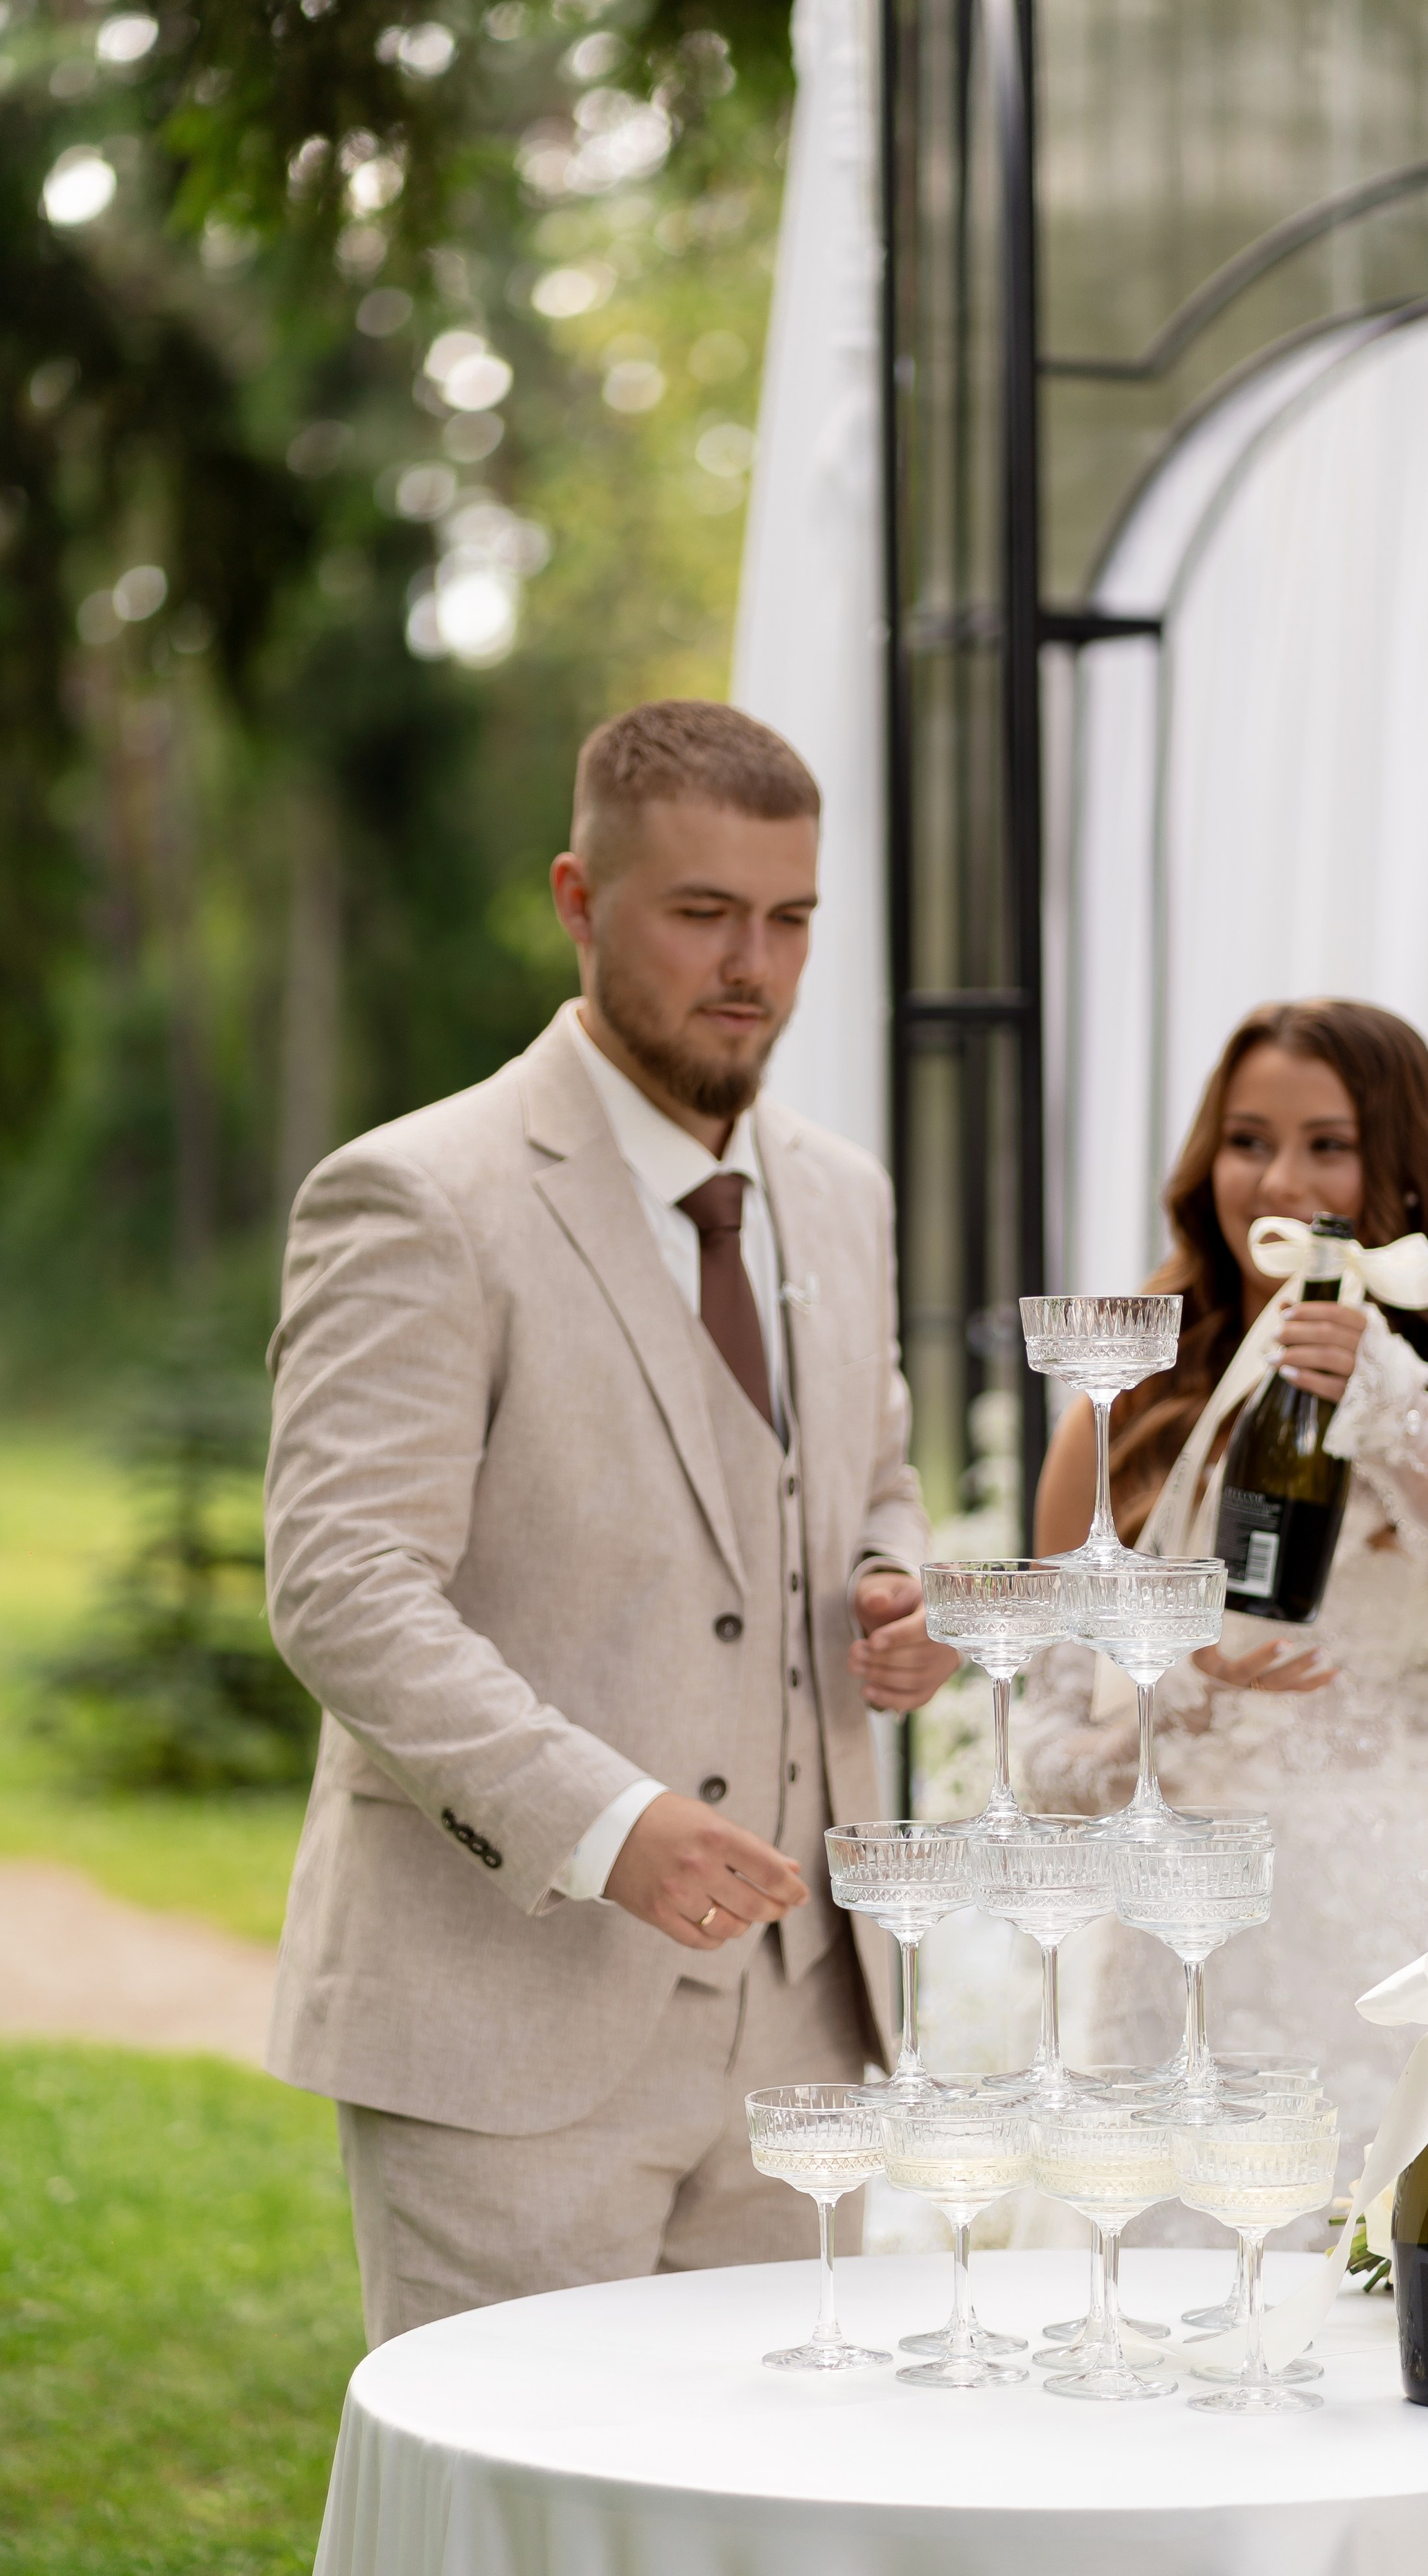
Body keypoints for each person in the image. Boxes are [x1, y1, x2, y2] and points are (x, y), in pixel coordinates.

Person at [263, 699, 954, 2344]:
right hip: (506, 2030)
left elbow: (873, 1477)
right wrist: (605, 1820)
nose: (754, 968)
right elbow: (345, 1585)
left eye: (789, 919)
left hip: (812, 2028)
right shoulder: (423, 1194)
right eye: (702, 912)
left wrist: (892, 1582)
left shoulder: (842, 1194)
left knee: (782, 2513)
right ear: (578, 901)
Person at [1022, 999, 1428, 2197]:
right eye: (1249, 1140)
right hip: (1189, 1975)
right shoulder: (1126, 1412)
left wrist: (1405, 1421)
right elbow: (1042, 1768)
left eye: (1330, 1143)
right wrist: (1188, 1699)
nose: (1281, 1179)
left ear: (1406, 1173)